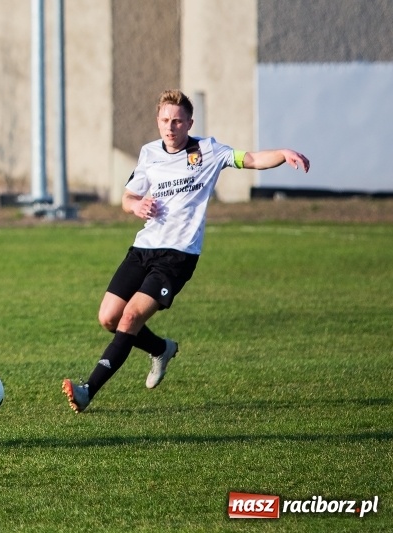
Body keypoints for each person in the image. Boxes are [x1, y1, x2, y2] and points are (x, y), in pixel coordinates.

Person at [62, 89, 310, 413]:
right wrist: (137, 205)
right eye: (165, 120)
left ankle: (87, 390)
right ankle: (161, 349)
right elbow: (127, 198)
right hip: (143, 247)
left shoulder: (208, 151)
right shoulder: (149, 153)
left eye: (177, 121)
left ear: (189, 123)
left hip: (178, 255)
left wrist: (282, 153)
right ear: (158, 121)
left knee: (131, 316)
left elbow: (249, 159)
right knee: (108, 317)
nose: (170, 126)